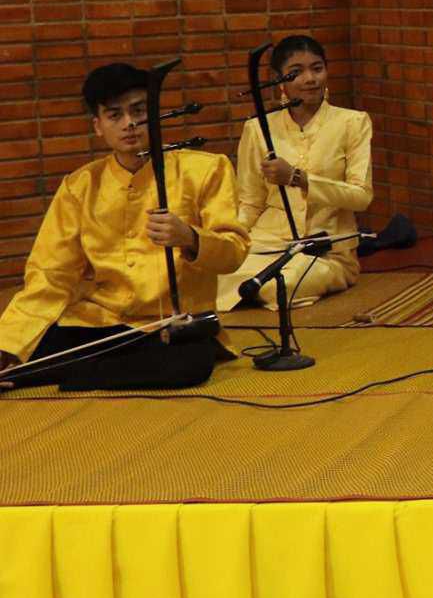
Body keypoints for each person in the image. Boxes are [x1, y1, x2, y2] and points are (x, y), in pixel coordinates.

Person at [0, 64, 249, 388]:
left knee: (190, 363)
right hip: (101, 322)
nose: (129, 123)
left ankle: (69, 374)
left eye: (139, 111)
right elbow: (51, 275)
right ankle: (66, 371)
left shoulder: (205, 169)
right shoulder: (80, 186)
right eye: (115, 115)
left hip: (172, 325)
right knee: (31, 345)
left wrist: (190, 238)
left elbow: (234, 252)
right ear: (98, 126)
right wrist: (7, 345)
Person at [220, 35, 374, 311]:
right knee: (211, 276)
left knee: (282, 283)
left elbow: (361, 197)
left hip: (325, 250)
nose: (310, 79)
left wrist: (298, 178)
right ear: (279, 80)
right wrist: (231, 243)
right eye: (296, 72)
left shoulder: (352, 122)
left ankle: (255, 292)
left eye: (317, 68)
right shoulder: (258, 128)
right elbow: (251, 202)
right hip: (268, 244)